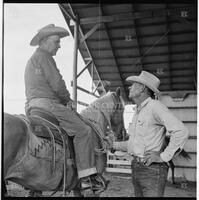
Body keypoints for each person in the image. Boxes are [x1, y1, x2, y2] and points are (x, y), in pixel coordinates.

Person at [24, 24, 106, 190]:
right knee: (84, 131)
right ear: (45, 41)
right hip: (48, 104)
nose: (59, 45)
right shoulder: (45, 57)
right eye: (56, 41)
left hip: (32, 106)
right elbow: (57, 82)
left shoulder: (32, 59)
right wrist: (68, 100)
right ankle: (86, 179)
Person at [110, 71, 189, 197]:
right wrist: (112, 145)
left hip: (152, 170)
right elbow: (133, 145)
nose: (130, 87)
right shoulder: (138, 112)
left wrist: (162, 157)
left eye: (133, 85)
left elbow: (181, 131)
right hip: (137, 168)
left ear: (142, 88)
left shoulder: (155, 107)